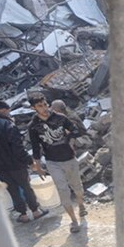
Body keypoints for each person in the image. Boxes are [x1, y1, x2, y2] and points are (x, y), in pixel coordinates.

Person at [0, 100, 47, 223]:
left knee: (12, 190)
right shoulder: (8, 125)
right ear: (4, 110)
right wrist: (29, 161)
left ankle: (23, 215)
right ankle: (36, 211)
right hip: (16, 164)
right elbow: (18, 148)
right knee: (26, 186)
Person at [28, 93, 86, 233]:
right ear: (34, 108)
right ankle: (73, 221)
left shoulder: (60, 118)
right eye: (40, 106)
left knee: (77, 187)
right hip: (53, 162)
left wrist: (70, 138)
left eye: (45, 104)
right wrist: (38, 166)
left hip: (69, 158)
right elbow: (36, 147)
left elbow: (77, 130)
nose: (44, 108)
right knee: (63, 190)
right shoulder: (34, 126)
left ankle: (81, 204)